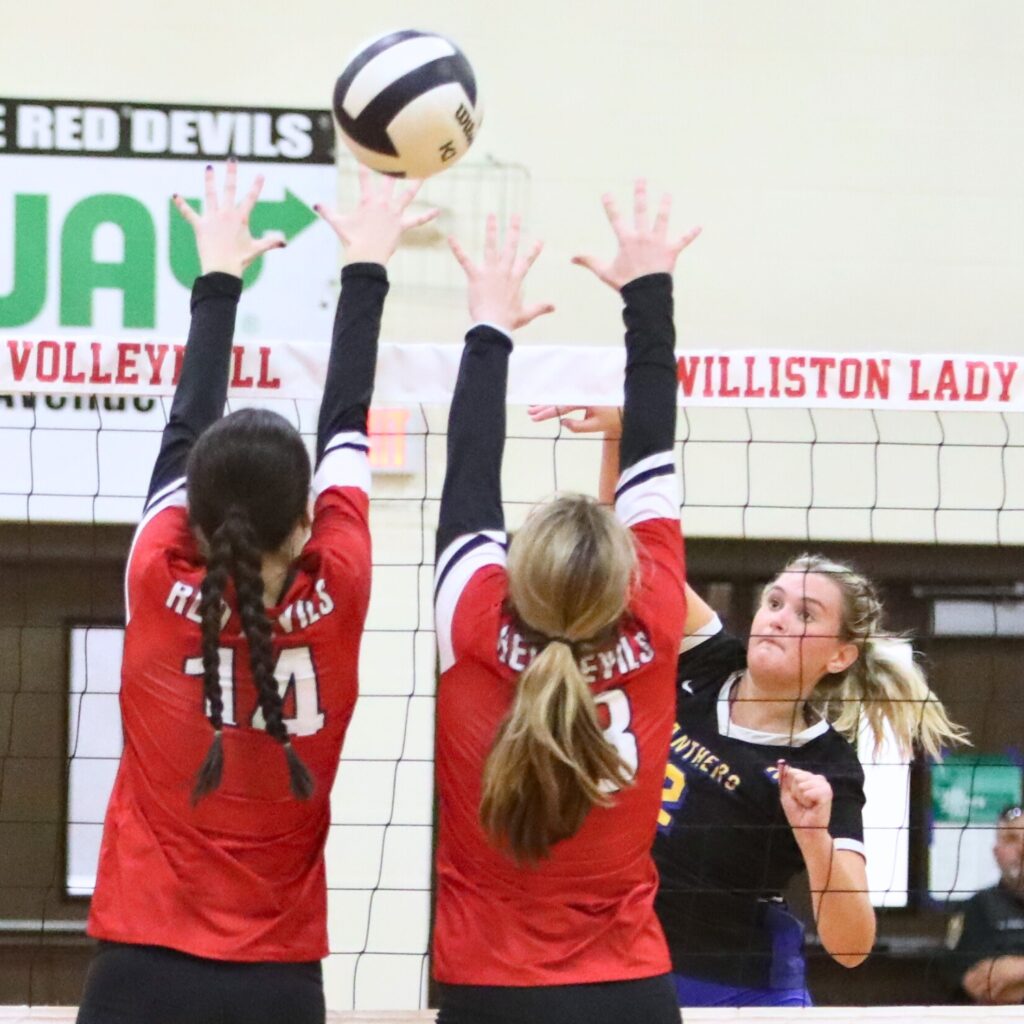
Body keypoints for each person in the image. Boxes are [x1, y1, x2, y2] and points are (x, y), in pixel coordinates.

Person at [76, 163, 436, 1024]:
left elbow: (187, 420)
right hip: (276, 983)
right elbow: (347, 419)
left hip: (137, 975)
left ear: (192, 517)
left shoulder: (154, 573)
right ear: (306, 521)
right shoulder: (340, 582)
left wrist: (219, 274)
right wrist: (367, 266)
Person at [528, 402, 969, 1007]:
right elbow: (625, 558)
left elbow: (852, 947)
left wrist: (814, 838)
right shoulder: (711, 659)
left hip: (737, 991)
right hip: (623, 958)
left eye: (806, 614)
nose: (779, 618)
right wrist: (621, 440)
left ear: (840, 655)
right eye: (775, 602)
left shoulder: (826, 766)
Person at [431, 182, 700, 1024]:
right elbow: (652, 436)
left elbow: (468, 466)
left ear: (518, 569)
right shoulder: (657, 613)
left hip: (490, 993)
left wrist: (490, 326)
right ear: (624, 576)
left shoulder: (472, 619)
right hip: (632, 994)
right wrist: (646, 291)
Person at [946, 804, 1024, 1005]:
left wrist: (1016, 970)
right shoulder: (975, 909)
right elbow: (979, 985)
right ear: (996, 852)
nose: (1022, 849)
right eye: (1012, 839)